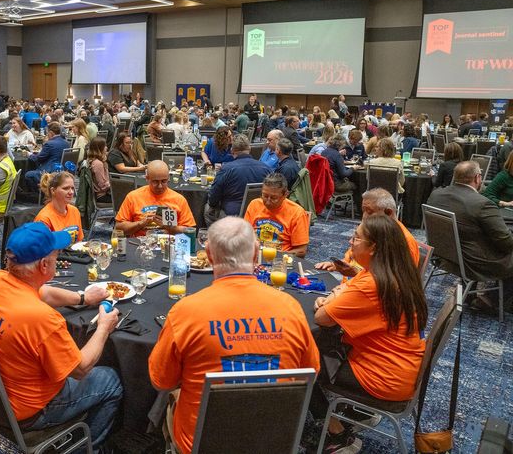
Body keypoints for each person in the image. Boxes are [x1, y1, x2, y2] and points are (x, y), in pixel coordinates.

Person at [149, 217, 319, 454]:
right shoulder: (291, 307)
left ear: (209, 255)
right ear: (256, 253)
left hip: (202, 445)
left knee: (168, 401)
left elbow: (162, 381)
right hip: (274, 442)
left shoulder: (184, 312)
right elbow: (311, 373)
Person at [0, 222, 121, 449]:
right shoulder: (43, 319)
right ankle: (87, 448)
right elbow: (80, 369)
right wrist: (104, 328)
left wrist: (82, 298)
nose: (58, 257)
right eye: (56, 254)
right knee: (111, 379)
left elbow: (43, 292)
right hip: (28, 412)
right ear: (44, 264)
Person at [310, 215, 427, 453]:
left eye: (356, 238)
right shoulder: (389, 271)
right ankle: (358, 411)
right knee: (318, 342)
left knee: (297, 357)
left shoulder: (373, 284)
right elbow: (343, 288)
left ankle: (339, 435)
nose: (350, 242)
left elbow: (321, 317)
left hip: (382, 378)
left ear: (373, 247)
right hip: (400, 365)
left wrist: (331, 301)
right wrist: (336, 297)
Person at [427, 161, 513, 309]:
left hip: (444, 255)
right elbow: (507, 243)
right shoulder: (482, 204)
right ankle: (491, 300)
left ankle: (471, 294)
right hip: (471, 261)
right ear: (477, 178)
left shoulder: (436, 195)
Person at [315, 188, 420, 276]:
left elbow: (395, 283)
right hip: (352, 285)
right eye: (363, 211)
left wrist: (356, 273)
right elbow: (350, 258)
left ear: (388, 213)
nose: (364, 217)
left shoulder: (404, 241)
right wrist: (338, 265)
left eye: (369, 212)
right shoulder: (369, 229)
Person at [204, 134, 272, 224]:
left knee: (208, 209)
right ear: (249, 149)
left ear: (232, 151)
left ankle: (217, 233)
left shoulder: (226, 169)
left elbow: (213, 197)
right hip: (259, 214)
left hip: (232, 216)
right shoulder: (267, 169)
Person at [116, 161, 195, 236]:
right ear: (147, 178)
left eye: (164, 181)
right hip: (140, 242)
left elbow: (190, 230)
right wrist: (141, 223)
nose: (160, 186)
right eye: (155, 182)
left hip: (170, 242)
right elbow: (119, 228)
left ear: (168, 178)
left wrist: (171, 227)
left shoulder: (179, 199)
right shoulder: (133, 196)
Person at [244, 174, 309, 257]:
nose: (268, 202)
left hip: (280, 259)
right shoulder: (254, 204)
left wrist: (275, 256)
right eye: (265, 196)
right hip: (254, 255)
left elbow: (301, 251)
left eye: (274, 198)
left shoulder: (297, 213)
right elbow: (244, 235)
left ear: (285, 195)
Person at [35, 171, 84, 244]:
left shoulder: (74, 211)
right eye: (66, 188)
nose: (71, 192)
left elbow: (79, 242)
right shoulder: (44, 219)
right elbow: (40, 248)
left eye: (72, 188)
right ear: (53, 190)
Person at [24, 122, 69, 192]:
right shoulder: (66, 143)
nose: (47, 135)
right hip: (63, 171)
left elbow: (38, 159)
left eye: (47, 133)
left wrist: (30, 155)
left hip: (50, 172)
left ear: (51, 133)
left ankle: (40, 194)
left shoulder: (49, 143)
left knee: (28, 175)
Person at [87, 137, 111, 203]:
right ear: (99, 148)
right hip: (102, 195)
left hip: (104, 193)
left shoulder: (93, 160)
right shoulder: (98, 163)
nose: (106, 148)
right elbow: (102, 185)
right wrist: (115, 184)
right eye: (105, 146)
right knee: (128, 197)